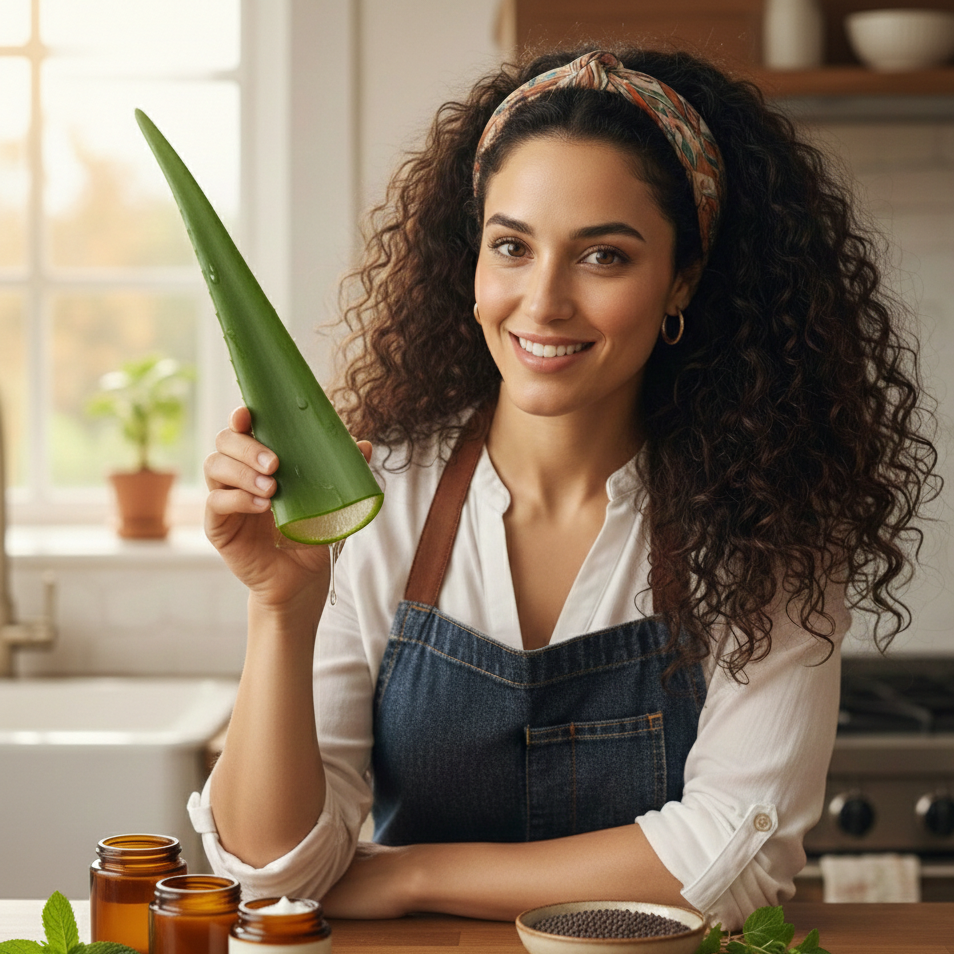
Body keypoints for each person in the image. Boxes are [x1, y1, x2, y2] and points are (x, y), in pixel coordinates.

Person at [188, 47, 939, 929]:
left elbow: (732, 860)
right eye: (512, 246)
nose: (542, 303)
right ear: (472, 260)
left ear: (682, 281)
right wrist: (281, 608)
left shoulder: (767, 523)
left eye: (604, 257)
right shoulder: (379, 498)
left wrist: (409, 877)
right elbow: (275, 871)